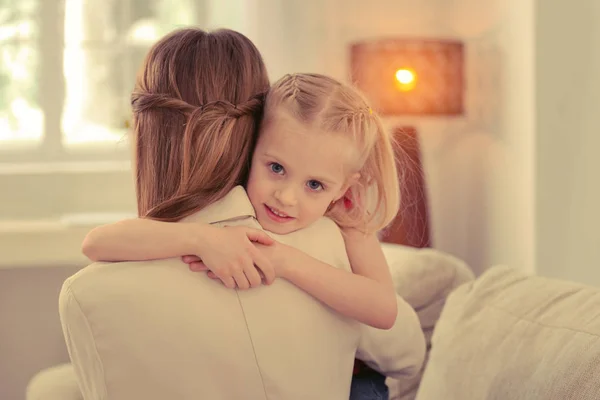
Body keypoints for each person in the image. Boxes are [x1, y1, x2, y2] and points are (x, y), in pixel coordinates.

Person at [80, 28, 416, 399]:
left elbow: (385, 311)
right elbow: (95, 243)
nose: (286, 197)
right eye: (275, 168)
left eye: (315, 185)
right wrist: (201, 238)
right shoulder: (226, 229)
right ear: (252, 144)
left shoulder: (347, 228)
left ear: (344, 189)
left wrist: (287, 261)